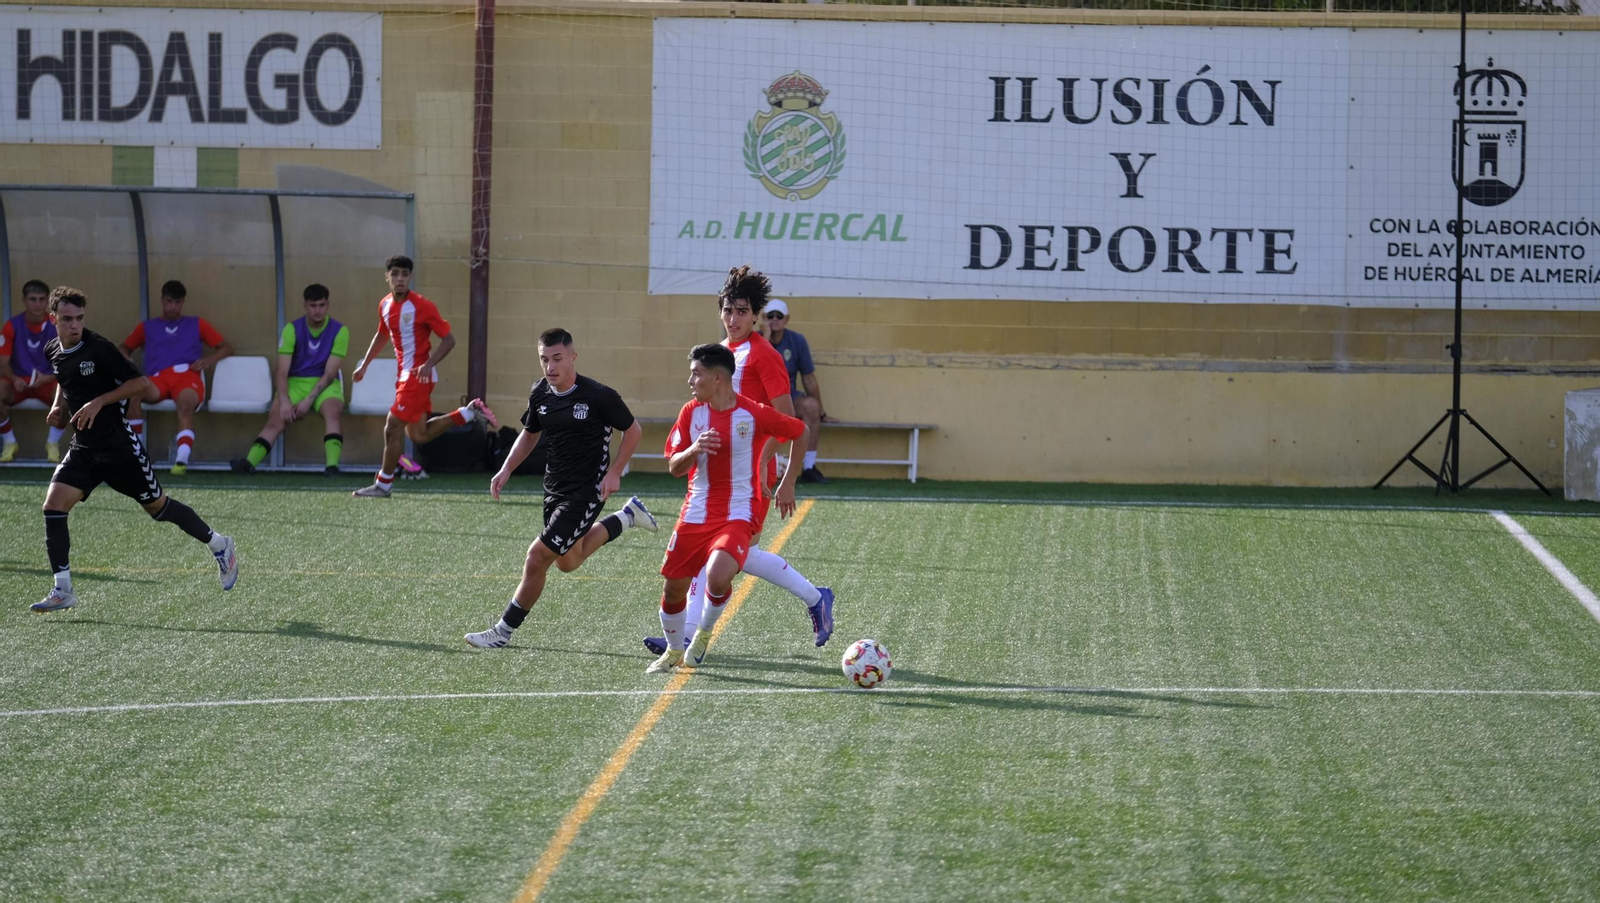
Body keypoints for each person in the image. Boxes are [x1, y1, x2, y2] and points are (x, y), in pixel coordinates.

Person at [643, 266, 835, 659]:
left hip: (750, 475)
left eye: (742, 312)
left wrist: (777, 472)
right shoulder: (720, 353)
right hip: (715, 471)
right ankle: (814, 598)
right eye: (728, 310)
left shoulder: (763, 355)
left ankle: (812, 598)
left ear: (756, 315)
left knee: (731, 553)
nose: (734, 319)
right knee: (727, 553)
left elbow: (786, 421)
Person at [33, 286, 239, 613]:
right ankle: (63, 589)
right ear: (52, 319)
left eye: (80, 318)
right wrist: (59, 406)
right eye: (67, 319)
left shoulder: (98, 348)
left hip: (119, 449)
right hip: (84, 449)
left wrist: (99, 401)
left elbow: (140, 383)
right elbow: (62, 376)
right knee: (53, 506)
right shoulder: (53, 349)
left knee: (159, 508)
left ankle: (219, 544)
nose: (75, 325)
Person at [465, 328, 658, 649]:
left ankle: (502, 632)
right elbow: (530, 434)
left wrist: (614, 472)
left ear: (572, 357)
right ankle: (626, 517)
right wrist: (506, 468)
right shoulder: (540, 392)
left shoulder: (598, 395)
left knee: (536, 558)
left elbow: (633, 430)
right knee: (568, 561)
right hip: (554, 489)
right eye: (544, 359)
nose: (550, 366)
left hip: (586, 492)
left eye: (557, 358)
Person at [647, 342, 807, 673]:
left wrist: (789, 479)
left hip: (738, 513)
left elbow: (800, 431)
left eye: (696, 374)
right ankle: (674, 650)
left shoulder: (754, 413)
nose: (690, 381)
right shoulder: (691, 412)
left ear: (717, 378)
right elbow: (674, 466)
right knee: (673, 589)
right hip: (695, 512)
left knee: (718, 576)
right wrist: (694, 449)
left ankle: (703, 634)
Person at [350, 255, 497, 497]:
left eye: (404, 274)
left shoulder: (421, 306)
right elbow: (382, 334)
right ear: (387, 276)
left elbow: (449, 340)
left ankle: (383, 485)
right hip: (405, 377)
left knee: (392, 427)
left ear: (410, 277)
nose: (400, 279)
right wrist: (365, 364)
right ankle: (469, 413)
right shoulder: (384, 305)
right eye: (395, 274)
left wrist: (428, 364)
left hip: (417, 377)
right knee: (419, 435)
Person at [230, 284, 350, 475]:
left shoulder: (340, 330)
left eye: (321, 305)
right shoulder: (291, 329)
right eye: (313, 305)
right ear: (305, 305)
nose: (317, 310)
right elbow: (281, 372)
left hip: (324, 384)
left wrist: (308, 400)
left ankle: (332, 467)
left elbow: (329, 374)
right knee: (275, 419)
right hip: (295, 382)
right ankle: (249, 463)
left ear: (328, 305)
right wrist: (284, 400)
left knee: (333, 413)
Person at [118, 279, 234, 475]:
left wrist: (208, 360)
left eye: (177, 302)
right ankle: (137, 454)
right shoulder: (147, 326)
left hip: (187, 376)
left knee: (185, 405)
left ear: (183, 302)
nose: (173, 307)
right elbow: (124, 347)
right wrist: (126, 361)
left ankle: (181, 459)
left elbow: (227, 348)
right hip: (158, 378)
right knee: (132, 394)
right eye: (169, 301)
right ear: (162, 300)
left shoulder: (196, 323)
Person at [763, 298, 836, 484]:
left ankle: (809, 468)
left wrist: (821, 412)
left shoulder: (797, 341)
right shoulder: (756, 340)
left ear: (786, 319)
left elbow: (808, 378)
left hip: (787, 398)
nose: (774, 319)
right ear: (763, 318)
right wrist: (766, 337)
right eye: (770, 316)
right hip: (760, 399)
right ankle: (757, 465)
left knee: (811, 406)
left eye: (779, 316)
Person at [0, 279, 64, 462]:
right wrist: (14, 379)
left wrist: (48, 378)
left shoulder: (57, 326)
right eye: (33, 299)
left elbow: (67, 364)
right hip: (18, 382)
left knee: (69, 394)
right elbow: (3, 362)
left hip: (47, 381)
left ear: (48, 301)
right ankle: (9, 442)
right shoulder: (12, 325)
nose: (37, 304)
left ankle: (52, 443)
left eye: (42, 299)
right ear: (24, 300)